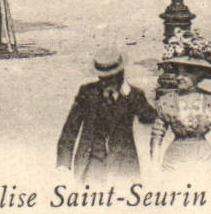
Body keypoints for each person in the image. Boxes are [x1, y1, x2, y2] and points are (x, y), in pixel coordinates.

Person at [56, 49, 157, 183]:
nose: (107, 82)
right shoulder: (87, 92)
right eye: (103, 78)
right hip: (92, 163)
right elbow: (70, 128)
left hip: (124, 164)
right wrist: (63, 163)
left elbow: (148, 117)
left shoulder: (134, 94)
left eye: (111, 77)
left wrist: (129, 94)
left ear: (121, 73)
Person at [151, 38, 211, 172]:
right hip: (174, 161)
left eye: (186, 73)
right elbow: (157, 136)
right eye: (177, 72)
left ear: (199, 75)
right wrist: (155, 164)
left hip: (205, 160)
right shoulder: (167, 101)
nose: (179, 77)